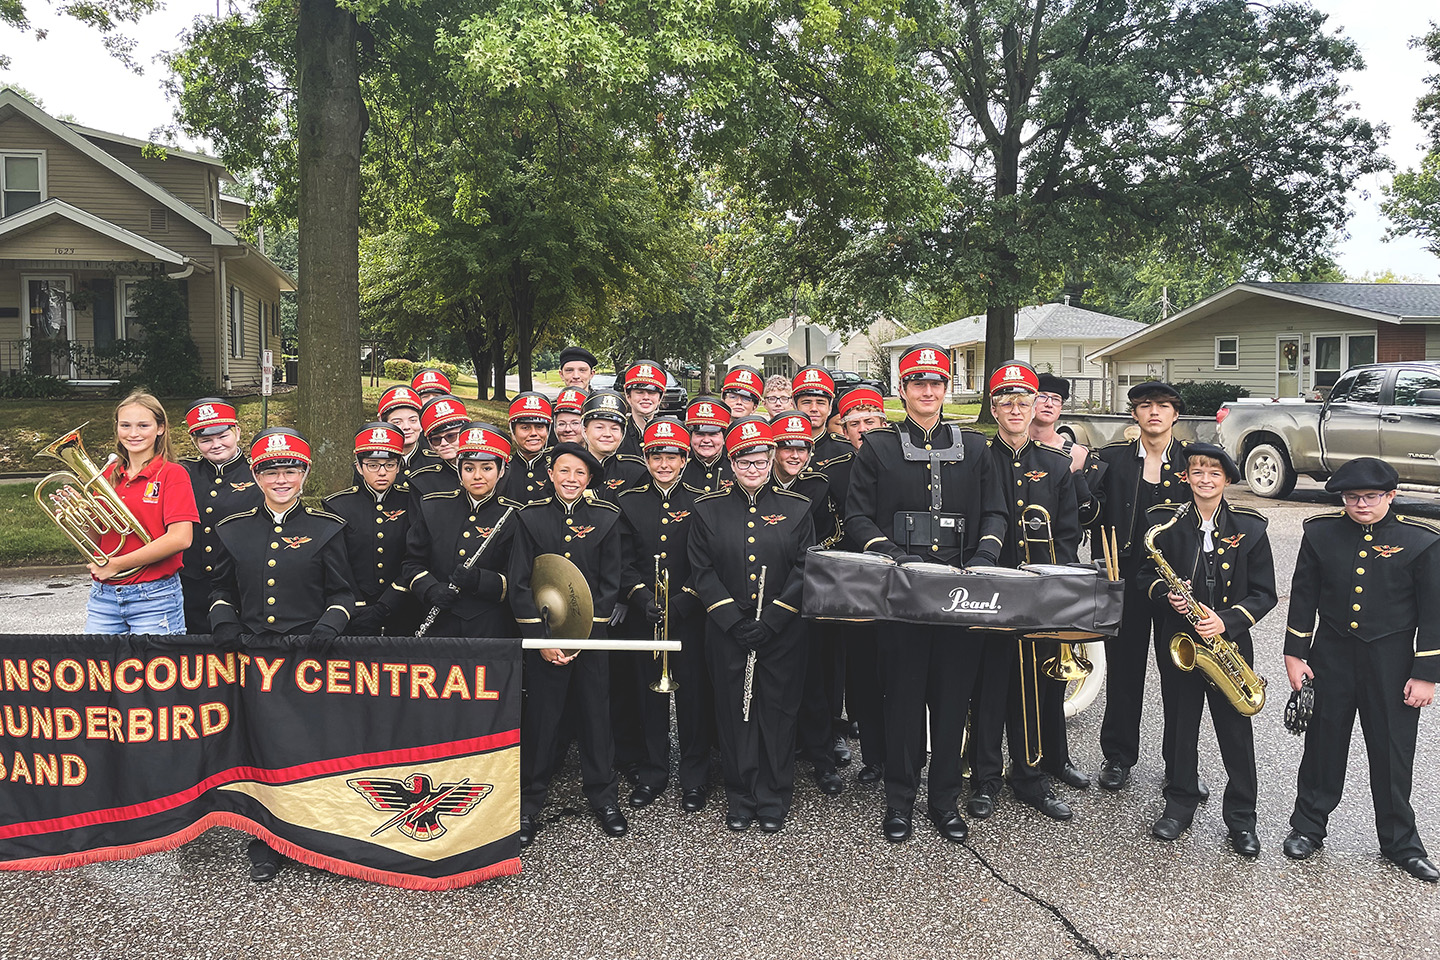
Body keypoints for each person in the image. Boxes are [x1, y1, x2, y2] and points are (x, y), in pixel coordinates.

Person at [844, 343, 1008, 843]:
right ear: (903, 389)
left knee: (953, 701)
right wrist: (895, 555)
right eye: (918, 382)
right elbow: (857, 517)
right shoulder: (877, 447)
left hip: (962, 594)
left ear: (948, 387)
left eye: (936, 382)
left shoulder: (978, 448)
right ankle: (899, 802)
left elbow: (997, 513)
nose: (928, 391)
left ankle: (943, 802)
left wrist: (982, 559)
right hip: (902, 594)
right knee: (903, 702)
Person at [1281, 457, 1440, 882]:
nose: (1360, 504)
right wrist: (1295, 654)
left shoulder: (1420, 540)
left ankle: (1400, 843)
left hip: (1390, 661)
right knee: (1322, 746)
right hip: (1330, 655)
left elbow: (1434, 611)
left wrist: (1426, 672)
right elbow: (1303, 595)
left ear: (1390, 495)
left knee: (1392, 752)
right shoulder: (1320, 533)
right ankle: (1308, 828)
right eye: (1352, 497)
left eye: (1370, 497)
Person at [208, 426, 355, 882]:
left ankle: (316, 835)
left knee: (313, 747)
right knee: (264, 750)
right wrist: (223, 620)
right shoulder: (233, 530)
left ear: (305, 473)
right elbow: (220, 587)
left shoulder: (326, 529)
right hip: (255, 657)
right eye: (270, 471)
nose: (280, 479)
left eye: (290, 470)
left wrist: (330, 624)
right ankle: (267, 838)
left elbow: (344, 593)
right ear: (255, 475)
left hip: (309, 657)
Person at [1140, 442, 1274, 857]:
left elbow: (1265, 594)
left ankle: (1241, 818)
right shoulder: (1164, 522)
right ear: (1187, 477)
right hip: (1181, 641)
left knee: (1235, 732)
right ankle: (1179, 805)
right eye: (1196, 471)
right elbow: (1146, 575)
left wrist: (1227, 620)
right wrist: (1167, 595)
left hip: (1227, 642)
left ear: (1227, 480)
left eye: (1213, 473)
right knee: (1181, 726)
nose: (1204, 479)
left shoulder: (1251, 527)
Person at [688, 416, 814, 833]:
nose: (754, 469)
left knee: (778, 712)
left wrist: (773, 620)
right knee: (733, 712)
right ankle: (741, 796)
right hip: (728, 631)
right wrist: (731, 618)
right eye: (744, 462)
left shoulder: (797, 509)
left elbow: (803, 569)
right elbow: (701, 571)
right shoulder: (707, 510)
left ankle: (774, 795)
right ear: (731, 463)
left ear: (771, 459)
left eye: (761, 461)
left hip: (781, 631)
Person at [968, 362, 1079, 823]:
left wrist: (1060, 588)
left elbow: (1069, 535)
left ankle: (1030, 776)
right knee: (988, 687)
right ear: (993, 408)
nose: (1016, 409)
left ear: (1037, 407)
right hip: (991, 591)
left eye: (1024, 401)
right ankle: (985, 779)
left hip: (1036, 595)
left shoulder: (1054, 465)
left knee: (1033, 689)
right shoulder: (975, 458)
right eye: (1006, 401)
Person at [508, 442, 628, 847]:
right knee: (542, 720)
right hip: (544, 640)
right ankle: (528, 803)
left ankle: (604, 798)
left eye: (579, 472)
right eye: (563, 470)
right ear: (551, 474)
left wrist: (585, 637)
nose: (571, 479)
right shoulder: (531, 518)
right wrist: (540, 640)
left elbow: (611, 584)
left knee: (597, 717)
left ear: (589, 478)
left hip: (592, 640)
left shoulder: (607, 518)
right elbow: (520, 582)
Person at [1091, 381, 1191, 792]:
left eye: (1163, 406)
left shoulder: (1192, 460)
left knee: (1179, 674)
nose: (1154, 412)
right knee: (1124, 670)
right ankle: (1118, 757)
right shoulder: (1112, 459)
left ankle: (1180, 764)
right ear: (1134, 414)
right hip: (1126, 576)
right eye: (1145, 406)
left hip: (1177, 580)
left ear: (1175, 415)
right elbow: (1087, 510)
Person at [616, 418, 713, 811]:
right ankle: (653, 772)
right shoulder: (628, 501)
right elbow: (621, 562)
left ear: (685, 458)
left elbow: (707, 560)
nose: (664, 463)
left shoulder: (703, 502)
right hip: (646, 615)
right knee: (648, 698)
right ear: (646, 457)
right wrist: (640, 596)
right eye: (656, 455)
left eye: (672, 455)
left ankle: (695, 777)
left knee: (694, 698)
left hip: (688, 615)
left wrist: (684, 600)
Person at [1028, 372, 1105, 790]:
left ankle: (1056, 757)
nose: (1047, 404)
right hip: (1016, 571)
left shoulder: (1080, 456)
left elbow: (1091, 516)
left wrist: (1075, 473)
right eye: (1040, 396)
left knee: (1055, 672)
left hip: (1060, 568)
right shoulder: (1012, 449)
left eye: (1055, 398)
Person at [769, 411, 844, 797]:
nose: (795, 454)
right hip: (766, 593)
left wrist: (810, 556)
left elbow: (836, 532)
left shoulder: (819, 485)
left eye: (802, 446)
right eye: (786, 446)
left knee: (814, 682)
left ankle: (822, 759)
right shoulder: (757, 482)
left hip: (809, 590)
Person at [83, 392, 198, 636]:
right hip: (104, 597)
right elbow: (97, 541)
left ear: (160, 428)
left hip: (154, 596)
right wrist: (82, 517)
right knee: (98, 671)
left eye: (143, 425)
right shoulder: (106, 475)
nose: (133, 433)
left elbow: (181, 538)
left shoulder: (172, 474)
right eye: (125, 425)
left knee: (157, 672)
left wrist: (117, 564)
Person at [403, 423, 521, 639]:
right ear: (459, 471)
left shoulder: (515, 515)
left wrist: (480, 580)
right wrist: (430, 589)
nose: (477, 476)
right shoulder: (432, 507)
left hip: (490, 627)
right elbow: (411, 563)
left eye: (487, 468)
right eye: (469, 468)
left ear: (501, 470)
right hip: (439, 623)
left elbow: (518, 579)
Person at [833, 386, 888, 785]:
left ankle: (907, 750)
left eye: (871, 422)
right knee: (862, 674)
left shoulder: (900, 460)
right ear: (844, 429)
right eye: (855, 424)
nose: (863, 430)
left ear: (883, 424)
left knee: (901, 672)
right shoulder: (834, 471)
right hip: (852, 583)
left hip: (898, 575)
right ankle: (874, 757)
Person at [322, 422, 417, 636]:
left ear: (399, 466)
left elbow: (415, 555)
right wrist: (358, 603)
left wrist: (390, 601)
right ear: (359, 466)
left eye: (389, 464)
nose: (382, 472)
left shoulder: (411, 501)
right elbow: (339, 563)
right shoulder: (338, 505)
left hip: (402, 606)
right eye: (373, 465)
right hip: (354, 610)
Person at [178, 398, 259, 632]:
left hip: (240, 585)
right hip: (190, 584)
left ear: (237, 432)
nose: (216, 444)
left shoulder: (259, 473)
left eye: (223, 436)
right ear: (194, 442)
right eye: (205, 439)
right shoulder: (184, 472)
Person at [581, 390, 647, 505]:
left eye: (614, 428)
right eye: (599, 427)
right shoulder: (568, 468)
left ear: (622, 433)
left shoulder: (636, 472)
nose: (607, 434)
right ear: (585, 430)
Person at [406, 395, 469, 499]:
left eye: (451, 436)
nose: (443, 443)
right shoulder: (423, 482)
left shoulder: (496, 471)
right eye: (436, 439)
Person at [791, 366, 849, 470]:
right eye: (806, 402)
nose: (813, 408)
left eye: (820, 403)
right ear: (794, 406)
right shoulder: (778, 450)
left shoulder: (846, 452)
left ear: (830, 408)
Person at [503, 392, 554, 503]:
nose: (533, 433)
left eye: (539, 427)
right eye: (525, 427)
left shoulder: (558, 467)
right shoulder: (503, 469)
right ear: (513, 431)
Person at [377, 385, 430, 481]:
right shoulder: (370, 466)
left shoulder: (435, 462)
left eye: (413, 420)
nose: (406, 427)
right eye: (397, 422)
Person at [682, 397, 733, 494]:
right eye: (699, 434)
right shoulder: (679, 467)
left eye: (713, 434)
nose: (706, 440)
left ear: (724, 438)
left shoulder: (735, 466)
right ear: (691, 437)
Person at [620, 360, 668, 457]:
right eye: (639, 392)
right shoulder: (617, 435)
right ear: (628, 396)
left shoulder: (671, 437)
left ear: (660, 397)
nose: (646, 397)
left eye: (652, 392)